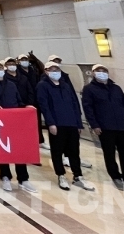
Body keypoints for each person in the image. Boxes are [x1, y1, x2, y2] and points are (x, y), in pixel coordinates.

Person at [81, 64, 124, 192]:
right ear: (93, 73)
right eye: (98, 71)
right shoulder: (89, 89)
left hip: (123, 126)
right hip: (105, 127)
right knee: (109, 154)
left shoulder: (116, 88)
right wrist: (94, 125)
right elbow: (88, 109)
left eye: (104, 71)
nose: (102, 73)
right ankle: (115, 177)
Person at [36, 60, 94, 192]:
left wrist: (78, 123)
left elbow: (74, 104)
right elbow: (44, 106)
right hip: (57, 123)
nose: (55, 72)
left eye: (57, 70)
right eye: (52, 70)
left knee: (74, 150)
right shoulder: (42, 86)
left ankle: (78, 176)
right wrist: (50, 123)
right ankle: (61, 175)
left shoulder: (65, 85)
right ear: (46, 71)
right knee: (57, 151)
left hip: (71, 123)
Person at [0, 60, 36, 193]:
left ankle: (23, 178)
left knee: (18, 149)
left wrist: (26, 107)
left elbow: (18, 101)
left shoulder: (11, 85)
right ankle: (5, 176)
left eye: (0, 67)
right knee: (3, 149)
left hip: (14, 122)